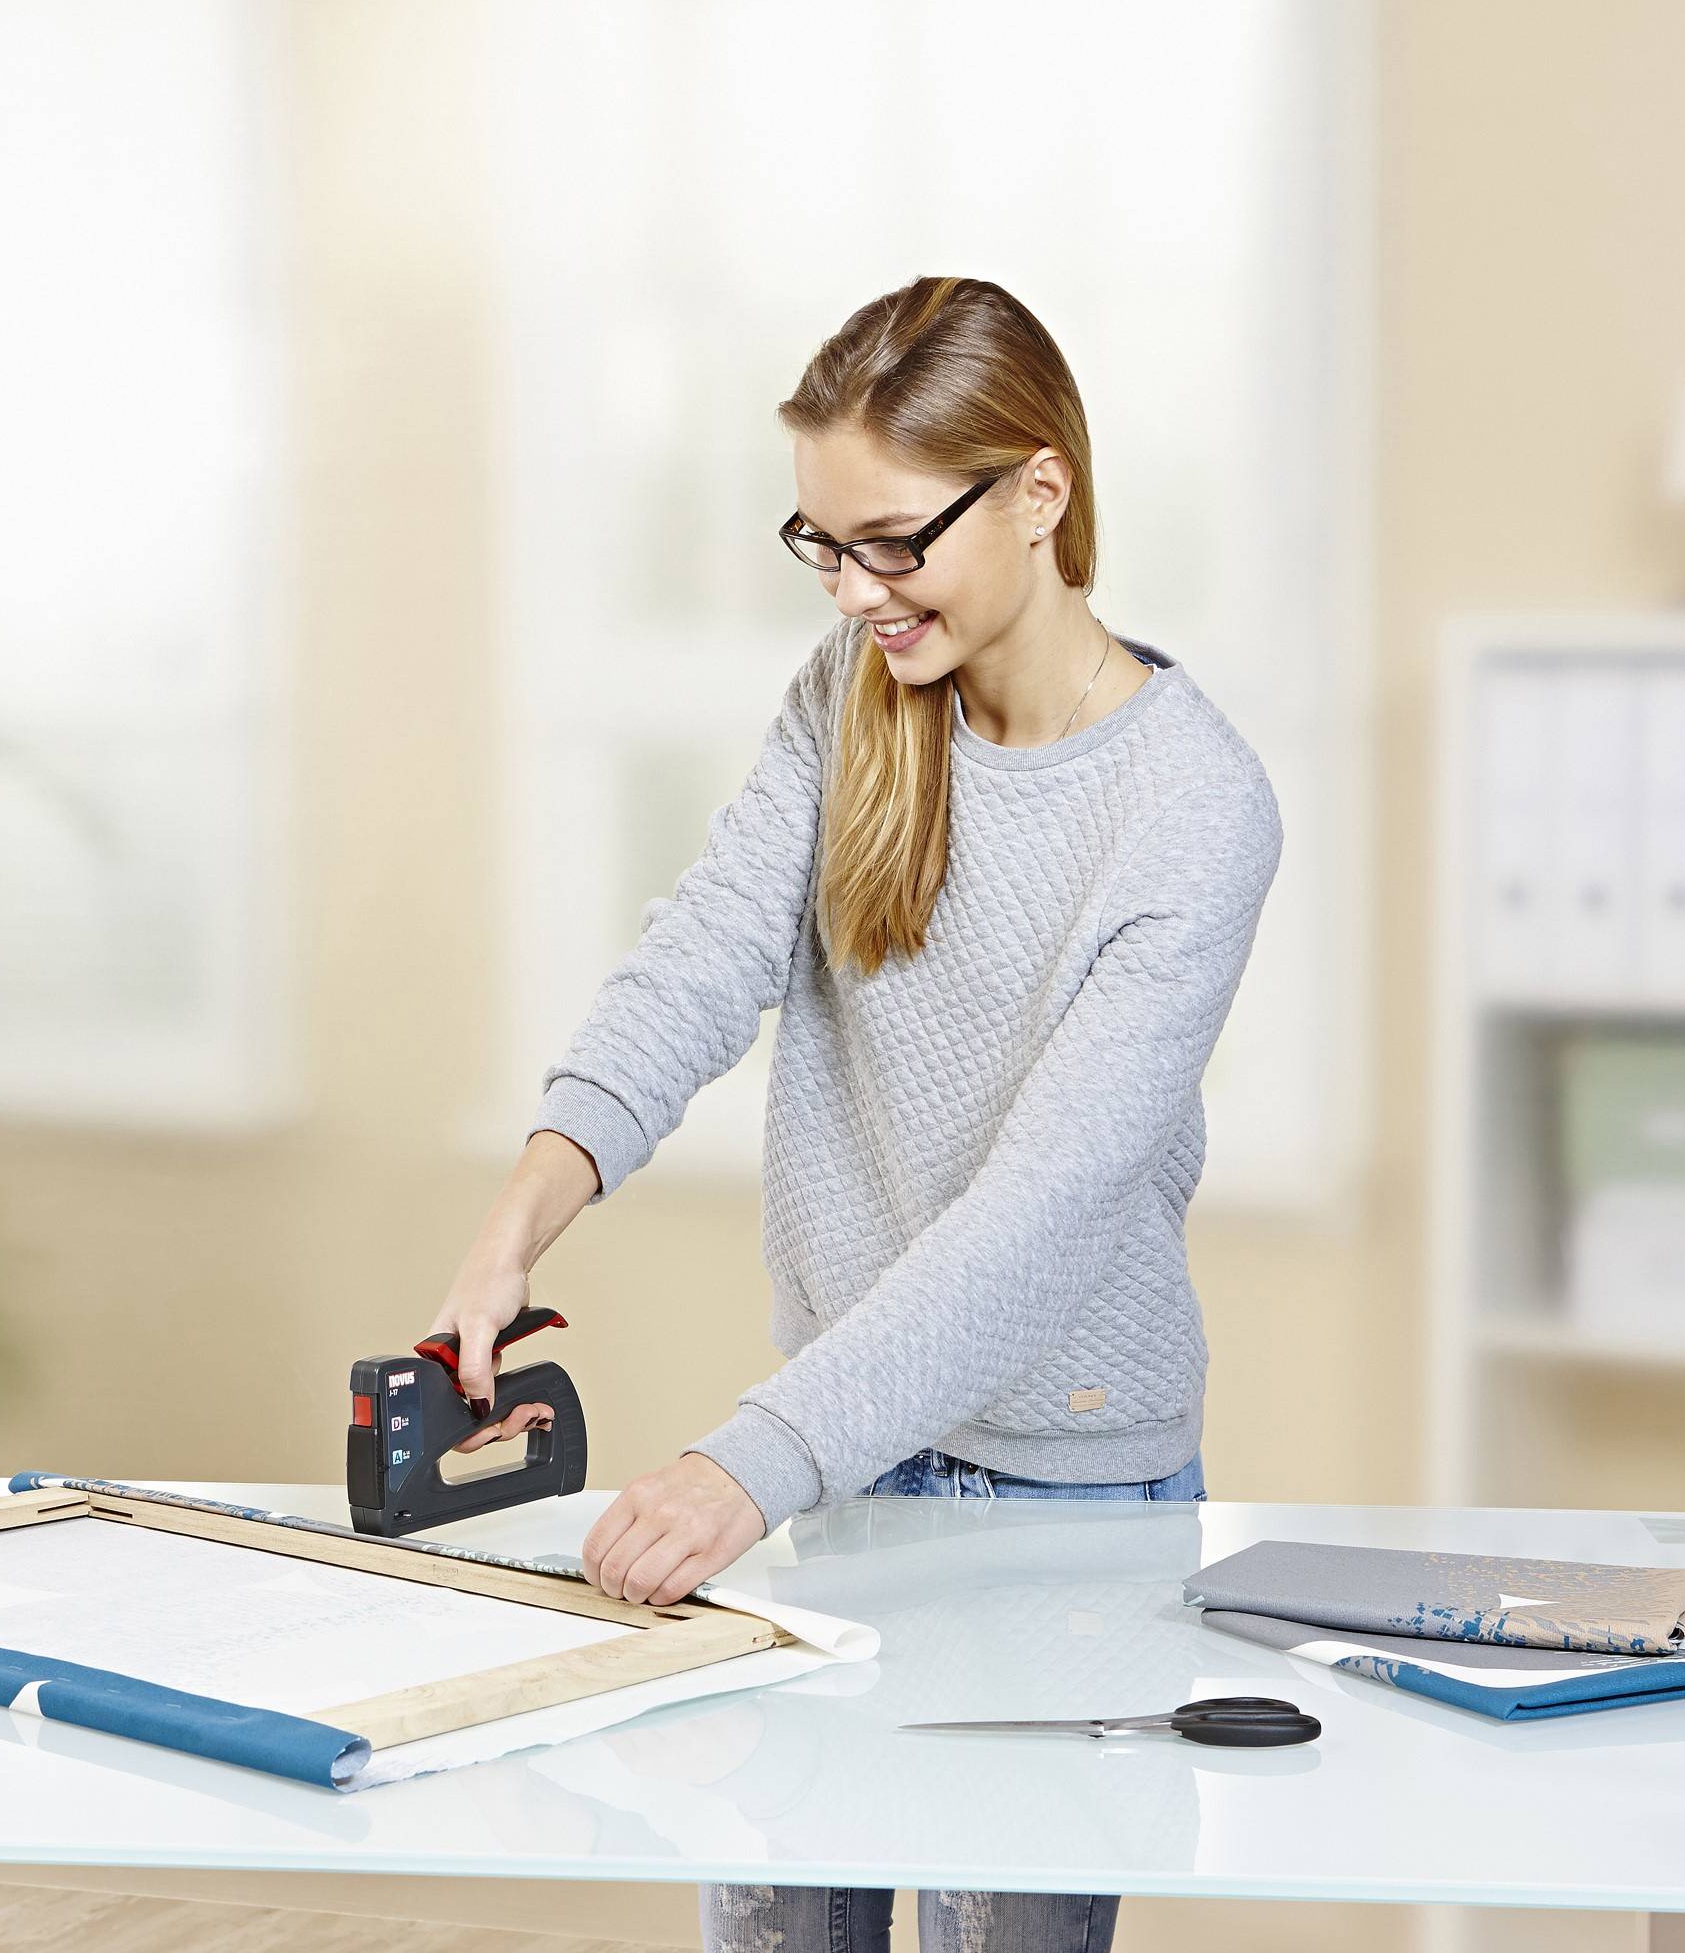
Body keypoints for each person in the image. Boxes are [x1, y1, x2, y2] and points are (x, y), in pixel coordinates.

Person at [432, 275, 1281, 1953]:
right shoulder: (852, 704)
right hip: (847, 1472)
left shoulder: (1195, 811)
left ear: (1039, 493)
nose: (856, 590)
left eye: (893, 541)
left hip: (1066, 1517)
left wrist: (740, 1467)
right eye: (822, 545)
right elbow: (695, 963)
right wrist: (513, 1220)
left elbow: (1042, 1215)